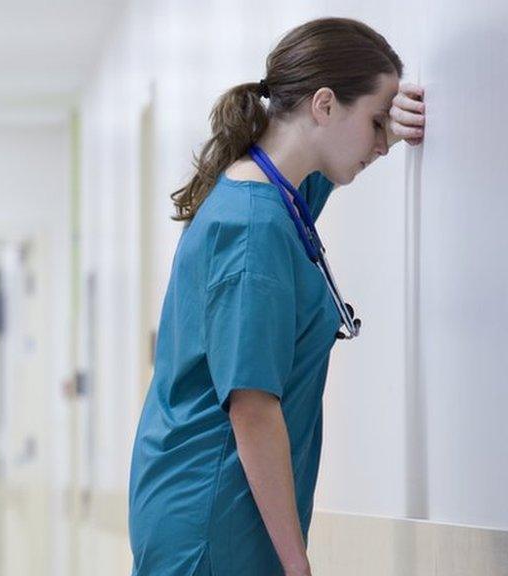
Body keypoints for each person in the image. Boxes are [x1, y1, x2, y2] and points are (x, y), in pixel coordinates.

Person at [127, 17, 426, 576]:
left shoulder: (274, 199)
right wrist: (298, 564)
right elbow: (253, 409)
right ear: (323, 105)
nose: (383, 144)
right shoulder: (252, 227)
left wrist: (396, 110)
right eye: (375, 122)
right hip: (212, 517)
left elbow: (324, 175)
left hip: (204, 504)